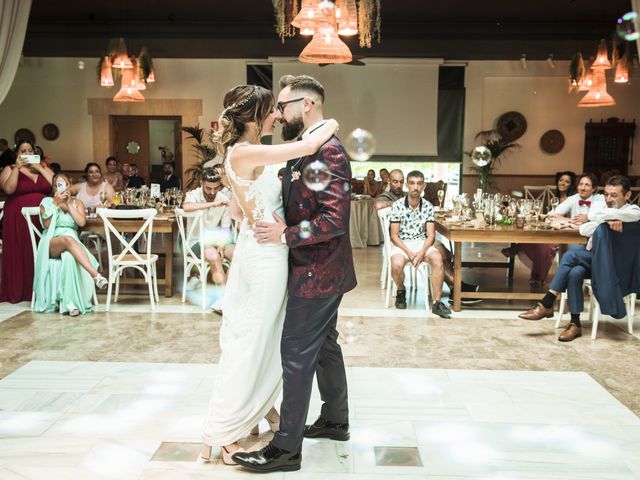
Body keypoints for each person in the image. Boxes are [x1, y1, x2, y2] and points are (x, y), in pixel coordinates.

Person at [198, 83, 340, 466]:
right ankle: (227, 432)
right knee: (252, 342)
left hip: (261, 247)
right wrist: (330, 122)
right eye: (272, 110)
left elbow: (240, 213)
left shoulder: (242, 154)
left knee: (260, 339)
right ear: (256, 116)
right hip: (266, 257)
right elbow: (308, 147)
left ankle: (257, 412)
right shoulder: (247, 152)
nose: (278, 116)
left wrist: (250, 206)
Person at [231, 75, 356, 473]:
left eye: (283, 106)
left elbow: (334, 219)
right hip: (315, 266)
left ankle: (286, 449)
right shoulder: (309, 146)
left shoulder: (329, 152)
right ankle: (336, 421)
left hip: (318, 270)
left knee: (297, 353)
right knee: (324, 346)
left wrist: (285, 234)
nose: (278, 113)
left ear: (306, 105)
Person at [518, 175, 640, 342]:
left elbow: (598, 220)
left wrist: (602, 218)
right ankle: (575, 324)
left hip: (612, 266)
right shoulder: (603, 209)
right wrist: (607, 220)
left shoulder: (634, 211)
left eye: (614, 195)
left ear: (627, 196)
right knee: (575, 272)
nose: (608, 199)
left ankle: (547, 303)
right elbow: (584, 229)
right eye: (606, 194)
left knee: (570, 255)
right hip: (595, 260)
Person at [33, 173, 108, 316]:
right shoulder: (46, 202)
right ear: (54, 187)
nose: (62, 188)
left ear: (69, 186)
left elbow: (81, 223)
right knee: (67, 240)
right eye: (58, 185)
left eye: (65, 184)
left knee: (69, 257)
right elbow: (47, 225)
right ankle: (95, 274)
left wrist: (68, 203)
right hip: (51, 242)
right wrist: (55, 204)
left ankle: (71, 305)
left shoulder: (77, 203)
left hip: (72, 244)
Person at [387, 170, 452, 318]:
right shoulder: (397, 206)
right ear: (406, 185)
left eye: (419, 183)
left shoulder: (428, 206)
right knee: (396, 263)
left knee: (438, 259)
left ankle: (436, 303)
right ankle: (401, 290)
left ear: (424, 186)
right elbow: (394, 236)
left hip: (422, 243)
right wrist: (409, 253)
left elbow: (430, 236)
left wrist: (422, 252)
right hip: (402, 244)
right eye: (412, 183)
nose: (415, 187)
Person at [502, 171, 577, 288]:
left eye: (567, 181)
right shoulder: (557, 198)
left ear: (571, 185)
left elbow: (571, 218)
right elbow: (551, 215)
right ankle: (521, 253)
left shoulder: (572, 199)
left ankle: (534, 273)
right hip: (551, 229)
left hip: (563, 232)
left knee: (544, 245)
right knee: (533, 237)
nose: (562, 183)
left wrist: (557, 218)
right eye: (561, 180)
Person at [0, 140, 53, 303]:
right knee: (21, 251)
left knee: (41, 250)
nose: (27, 154)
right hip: (18, 217)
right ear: (17, 154)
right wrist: (16, 167)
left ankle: (43, 289)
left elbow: (58, 186)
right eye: (23, 151)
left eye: (30, 150)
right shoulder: (8, 169)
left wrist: (40, 168)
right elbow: (9, 189)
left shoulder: (43, 168)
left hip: (43, 217)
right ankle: (21, 291)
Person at [182, 168, 232, 286]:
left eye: (216, 188)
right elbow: (186, 207)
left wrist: (221, 245)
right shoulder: (193, 195)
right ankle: (224, 299)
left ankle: (230, 293)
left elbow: (225, 227)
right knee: (214, 256)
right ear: (201, 183)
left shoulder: (223, 199)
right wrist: (213, 204)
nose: (212, 193)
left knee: (238, 254)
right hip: (195, 242)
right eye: (208, 188)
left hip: (215, 241)